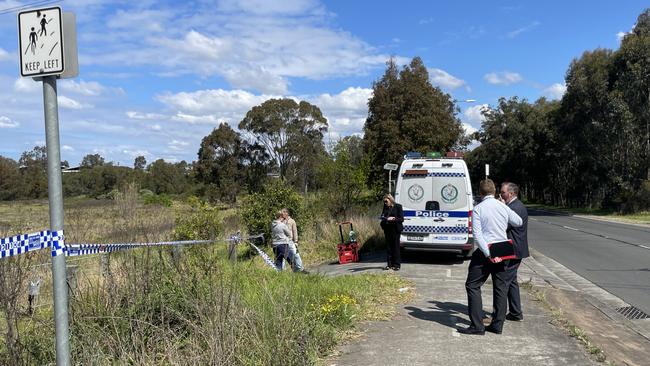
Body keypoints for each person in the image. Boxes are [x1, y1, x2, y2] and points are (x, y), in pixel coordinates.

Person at [459, 179, 522, 335]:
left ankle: (477, 325)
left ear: (480, 193)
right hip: (503, 249)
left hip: (486, 251)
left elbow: (478, 235)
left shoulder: (478, 209)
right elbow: (518, 221)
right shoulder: (502, 206)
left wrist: (488, 254)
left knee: (473, 285)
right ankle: (497, 325)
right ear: (494, 192)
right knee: (501, 287)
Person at [500, 182, 529, 321]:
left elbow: (503, 226)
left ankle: (499, 314)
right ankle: (515, 312)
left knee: (503, 281)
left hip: (513, 249)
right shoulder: (512, 206)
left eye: (503, 192)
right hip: (514, 248)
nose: (501, 195)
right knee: (511, 281)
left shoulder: (515, 208)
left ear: (511, 193)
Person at [380, 193, 404, 271]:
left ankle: (397, 265)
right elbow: (383, 215)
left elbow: (401, 219)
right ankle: (389, 264)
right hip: (387, 229)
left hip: (395, 229)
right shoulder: (385, 207)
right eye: (384, 202)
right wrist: (383, 218)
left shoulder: (398, 207)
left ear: (390, 200)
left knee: (395, 247)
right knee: (389, 248)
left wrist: (393, 219)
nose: (385, 203)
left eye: (386, 201)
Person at [282, 208, 306, 273]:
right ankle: (283, 272)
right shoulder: (281, 221)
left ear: (287, 213)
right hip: (283, 242)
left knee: (296, 255)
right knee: (284, 256)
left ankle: (301, 269)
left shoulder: (292, 221)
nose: (282, 213)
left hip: (290, 241)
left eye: (284, 212)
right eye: (282, 212)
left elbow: (295, 231)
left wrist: (295, 241)